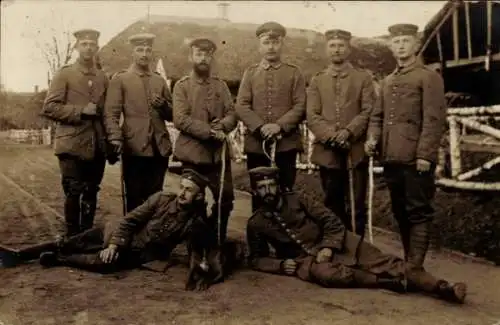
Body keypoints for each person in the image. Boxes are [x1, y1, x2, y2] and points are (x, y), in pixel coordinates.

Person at [245, 166, 467, 304]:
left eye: (270, 186)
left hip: (342, 243)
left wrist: (328, 246)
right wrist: (281, 265)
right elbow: (255, 258)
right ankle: (386, 283)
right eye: (262, 188)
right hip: (308, 261)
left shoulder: (298, 199)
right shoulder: (256, 222)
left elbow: (331, 221)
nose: (267, 192)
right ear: (255, 191)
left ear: (278, 186)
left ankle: (442, 287)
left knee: (390, 262)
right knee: (329, 275)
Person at [0, 169, 210, 275]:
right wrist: (113, 244)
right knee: (71, 242)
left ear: (199, 196)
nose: (182, 193)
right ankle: (19, 255)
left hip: (137, 253)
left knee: (105, 264)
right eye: (181, 187)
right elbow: (129, 220)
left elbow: (196, 250)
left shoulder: (194, 222)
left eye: (189, 190)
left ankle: (58, 260)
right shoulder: (161, 199)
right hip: (116, 232)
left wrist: (201, 264)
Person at [365, 24, 447, 270]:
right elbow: (377, 117)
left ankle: (414, 266)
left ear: (416, 45)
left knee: (418, 210)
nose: (400, 45)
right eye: (396, 41)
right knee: (400, 210)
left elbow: (434, 119)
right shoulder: (388, 81)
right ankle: (411, 261)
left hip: (415, 158)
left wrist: (425, 154)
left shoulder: (428, 77)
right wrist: (372, 139)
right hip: (391, 157)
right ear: (391, 46)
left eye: (405, 41)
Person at [41, 29, 113, 237]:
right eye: (84, 44)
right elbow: (50, 107)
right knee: (73, 190)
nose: (88, 48)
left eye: (92, 44)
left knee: (91, 191)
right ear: (76, 47)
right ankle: (72, 237)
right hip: (70, 145)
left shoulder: (102, 77)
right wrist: (80, 111)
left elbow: (108, 113)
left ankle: (87, 236)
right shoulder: (65, 74)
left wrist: (110, 142)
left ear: (97, 48)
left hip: (96, 145)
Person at [307, 29, 375, 236]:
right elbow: (312, 114)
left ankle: (358, 250)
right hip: (328, 153)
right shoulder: (317, 80)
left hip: (355, 151)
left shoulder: (363, 78)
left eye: (341, 45)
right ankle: (335, 247)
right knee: (331, 203)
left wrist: (348, 132)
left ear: (348, 49)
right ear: (327, 50)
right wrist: (330, 136)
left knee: (356, 205)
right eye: (332, 46)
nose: (337, 50)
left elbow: (368, 109)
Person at [235, 21, 306, 211]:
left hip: (286, 145)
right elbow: (241, 105)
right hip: (257, 146)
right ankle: (260, 237)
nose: (271, 47)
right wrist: (260, 127)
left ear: (282, 44)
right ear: (259, 45)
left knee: (285, 192)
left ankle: (284, 237)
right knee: (259, 194)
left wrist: (279, 126)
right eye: (266, 42)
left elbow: (301, 104)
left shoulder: (294, 73)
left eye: (275, 42)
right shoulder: (250, 74)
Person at [172, 37, 237, 245]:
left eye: (207, 55)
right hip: (193, 153)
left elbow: (232, 113)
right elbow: (180, 119)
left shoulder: (221, 86)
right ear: (191, 56)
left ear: (212, 58)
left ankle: (217, 240)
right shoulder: (181, 86)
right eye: (199, 54)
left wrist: (224, 125)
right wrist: (210, 132)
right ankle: (195, 243)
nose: (203, 59)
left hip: (218, 155)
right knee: (193, 199)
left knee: (225, 199)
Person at [104, 33, 173, 213]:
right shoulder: (121, 79)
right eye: (140, 50)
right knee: (134, 197)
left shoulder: (159, 80)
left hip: (159, 147)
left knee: (156, 197)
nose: (144, 54)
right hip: (134, 146)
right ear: (132, 53)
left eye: (148, 50)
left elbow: (174, 115)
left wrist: (164, 106)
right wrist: (115, 138)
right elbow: (111, 113)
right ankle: (133, 237)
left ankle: (150, 236)